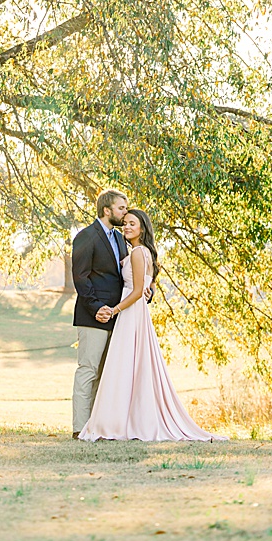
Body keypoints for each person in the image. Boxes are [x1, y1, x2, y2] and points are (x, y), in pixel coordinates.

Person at [78, 208, 225, 442]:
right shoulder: (142, 251)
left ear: (142, 228)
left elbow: (138, 291)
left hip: (129, 313)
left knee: (124, 365)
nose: (126, 227)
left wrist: (114, 310)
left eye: (132, 224)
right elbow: (148, 284)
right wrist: (147, 289)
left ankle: (119, 421)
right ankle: (126, 418)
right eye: (125, 223)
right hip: (135, 312)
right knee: (131, 365)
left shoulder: (138, 252)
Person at [69, 187, 129, 437]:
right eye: (121, 208)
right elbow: (81, 278)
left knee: (106, 376)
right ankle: (79, 429)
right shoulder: (86, 236)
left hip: (117, 317)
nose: (125, 213)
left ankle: (98, 427)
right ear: (107, 210)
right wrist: (96, 308)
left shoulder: (120, 239)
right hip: (92, 316)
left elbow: (125, 276)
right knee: (88, 371)